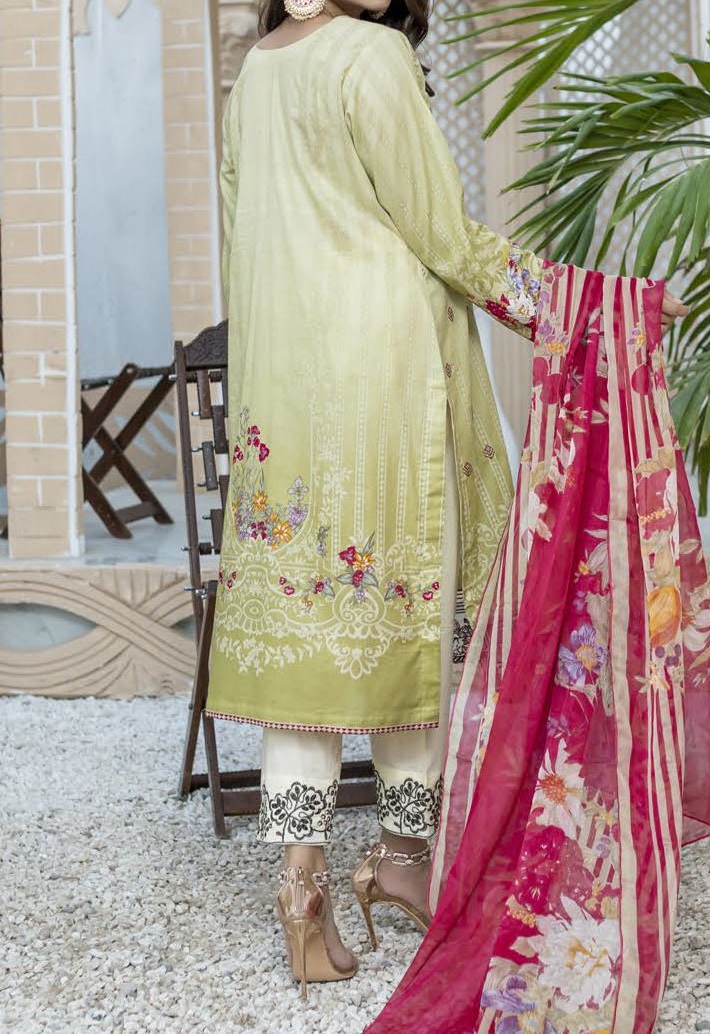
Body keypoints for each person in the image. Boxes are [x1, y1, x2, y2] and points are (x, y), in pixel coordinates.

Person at [205, 0, 688, 998]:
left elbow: (240, 247)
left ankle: (303, 894)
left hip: (280, 404)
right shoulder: (372, 56)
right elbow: (447, 239)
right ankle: (400, 857)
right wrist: (598, 305)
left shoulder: (255, 73)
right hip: (381, 391)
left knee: (302, 652)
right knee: (411, 630)